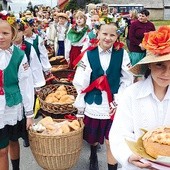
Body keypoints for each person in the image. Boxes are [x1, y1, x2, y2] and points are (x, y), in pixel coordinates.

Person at [73, 18, 133, 170]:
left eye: (112, 35)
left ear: (117, 37)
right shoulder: (89, 54)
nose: (108, 38)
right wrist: (80, 108)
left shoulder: (122, 54)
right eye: (104, 33)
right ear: (98, 33)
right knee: (92, 138)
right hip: (94, 103)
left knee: (110, 140)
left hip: (113, 104)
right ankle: (93, 154)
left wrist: (119, 99)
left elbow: (127, 78)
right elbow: (81, 81)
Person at [109, 25, 170, 170]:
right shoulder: (132, 94)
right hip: (138, 165)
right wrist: (128, 155)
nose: (167, 74)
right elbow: (120, 132)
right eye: (160, 65)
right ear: (149, 64)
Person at [0, 12, 34, 170]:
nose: (1, 37)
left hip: (13, 106)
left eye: (5, 33)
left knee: (14, 141)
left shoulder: (20, 55)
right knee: (1, 149)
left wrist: (29, 114)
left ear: (13, 34)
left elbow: (26, 85)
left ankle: (16, 168)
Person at [14, 20, 46, 147]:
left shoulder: (28, 47)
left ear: (22, 32)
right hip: (14, 84)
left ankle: (27, 134)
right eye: (13, 32)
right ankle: (19, 132)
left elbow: (35, 66)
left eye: (19, 31)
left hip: (27, 83)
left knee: (28, 107)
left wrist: (37, 84)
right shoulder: (7, 48)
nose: (16, 35)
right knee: (17, 110)